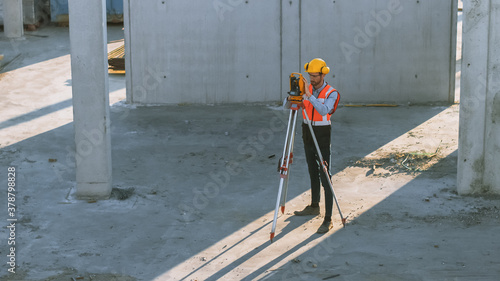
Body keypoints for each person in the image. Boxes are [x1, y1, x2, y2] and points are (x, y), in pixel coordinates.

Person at [287, 58, 340, 234]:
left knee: (325, 173)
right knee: (312, 169)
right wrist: (295, 97)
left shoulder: (332, 93)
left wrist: (309, 96)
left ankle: (328, 219)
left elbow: (325, 110)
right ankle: (314, 205)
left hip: (322, 132)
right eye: (310, 75)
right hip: (306, 129)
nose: (312, 79)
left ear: (323, 74)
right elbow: (297, 105)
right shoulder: (307, 88)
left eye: (315, 76)